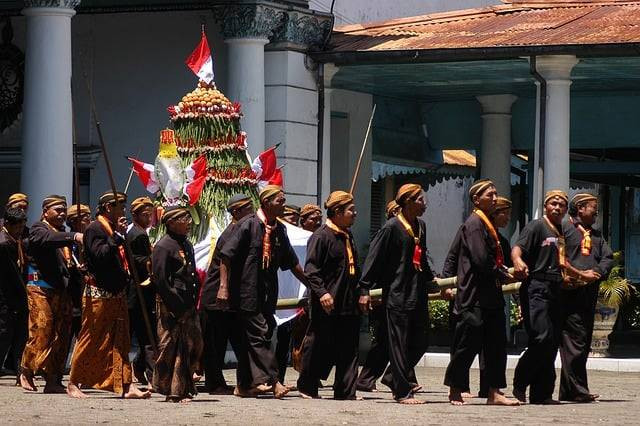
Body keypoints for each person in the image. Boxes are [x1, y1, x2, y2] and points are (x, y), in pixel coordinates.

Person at [216, 185, 308, 398]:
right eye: (279, 201)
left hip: (268, 292)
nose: (283, 204)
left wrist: (312, 284)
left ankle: (243, 386)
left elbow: (292, 262)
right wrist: (223, 287)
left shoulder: (280, 230)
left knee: (258, 336)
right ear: (266, 203)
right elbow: (225, 257)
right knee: (260, 335)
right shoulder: (248, 225)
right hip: (246, 292)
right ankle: (275, 382)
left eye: (284, 200)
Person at [512, 190, 597, 404]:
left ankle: (542, 393)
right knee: (540, 338)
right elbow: (517, 248)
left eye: (561, 205)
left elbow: (562, 263)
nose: (557, 208)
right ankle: (519, 384)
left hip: (556, 289)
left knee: (552, 343)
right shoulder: (536, 226)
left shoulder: (561, 230)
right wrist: (518, 261)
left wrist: (578, 275)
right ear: (546, 206)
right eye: (553, 204)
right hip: (536, 288)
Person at [67, 191, 150, 399]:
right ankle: (73, 382)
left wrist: (118, 235)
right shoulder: (95, 228)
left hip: (117, 291)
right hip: (98, 293)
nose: (123, 211)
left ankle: (126, 384)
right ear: (107, 208)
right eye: (119, 207)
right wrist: (116, 237)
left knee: (120, 339)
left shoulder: (114, 229)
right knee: (91, 337)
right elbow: (100, 255)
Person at [443, 180, 519, 406]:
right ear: (477, 200)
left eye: (496, 194)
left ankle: (494, 391)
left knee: (496, 346)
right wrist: (504, 274)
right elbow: (480, 260)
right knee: (468, 344)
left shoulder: (489, 227)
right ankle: (455, 388)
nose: (495, 198)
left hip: (491, 296)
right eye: (490, 195)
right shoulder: (474, 224)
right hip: (474, 296)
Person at [359, 183, 434, 404]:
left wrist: (434, 281)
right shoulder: (390, 228)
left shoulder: (421, 226)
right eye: (420, 199)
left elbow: (422, 258)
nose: (424, 204)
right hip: (397, 294)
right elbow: (373, 260)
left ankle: (392, 377)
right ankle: (402, 392)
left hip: (417, 293)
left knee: (421, 341)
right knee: (398, 344)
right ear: (408, 201)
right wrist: (364, 289)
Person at [297, 191, 362, 400]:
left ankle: (346, 391)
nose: (355, 214)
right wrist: (323, 293)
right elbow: (312, 270)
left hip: (349, 301)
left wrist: (363, 293)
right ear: (337, 212)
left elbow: (355, 268)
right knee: (319, 345)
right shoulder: (321, 236)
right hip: (327, 302)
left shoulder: (348, 235)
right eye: (350, 210)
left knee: (349, 348)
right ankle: (307, 386)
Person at [20, 195, 82, 393]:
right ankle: (27, 371)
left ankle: (53, 378)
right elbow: (47, 240)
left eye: (64, 210)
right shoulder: (40, 229)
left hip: (62, 290)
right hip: (40, 287)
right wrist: (72, 236)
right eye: (57, 210)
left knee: (61, 334)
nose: (62, 214)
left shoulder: (63, 232)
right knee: (42, 328)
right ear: (46, 211)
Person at [356, 199, 418, 393]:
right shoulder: (388, 231)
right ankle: (387, 379)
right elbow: (373, 264)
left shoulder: (415, 230)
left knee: (392, 340)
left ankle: (375, 378)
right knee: (387, 340)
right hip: (386, 295)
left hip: (406, 294)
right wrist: (367, 291)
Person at [559, 193, 613, 402]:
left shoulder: (596, 236)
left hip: (588, 295)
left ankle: (569, 389)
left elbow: (607, 258)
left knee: (582, 340)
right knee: (576, 341)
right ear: (580, 208)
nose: (596, 211)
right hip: (569, 293)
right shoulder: (565, 230)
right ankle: (578, 390)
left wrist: (596, 272)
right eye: (593, 207)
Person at [200, 194, 254, 394]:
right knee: (215, 344)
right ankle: (214, 384)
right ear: (236, 212)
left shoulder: (245, 229)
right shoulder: (233, 231)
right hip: (217, 297)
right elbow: (225, 260)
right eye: (248, 208)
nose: (253, 212)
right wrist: (223, 288)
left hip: (232, 299)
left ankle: (246, 382)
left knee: (240, 341)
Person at [152, 207, 203, 403]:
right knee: (171, 348)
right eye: (184, 219)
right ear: (171, 222)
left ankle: (184, 387)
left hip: (187, 303)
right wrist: (176, 307)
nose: (189, 222)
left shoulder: (186, 244)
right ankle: (173, 391)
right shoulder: (164, 246)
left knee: (193, 345)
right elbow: (162, 280)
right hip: (171, 305)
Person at [126, 196, 156, 386]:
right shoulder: (138, 234)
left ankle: (139, 365)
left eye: (150, 215)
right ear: (136, 215)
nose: (149, 219)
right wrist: (151, 261)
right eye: (145, 215)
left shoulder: (139, 232)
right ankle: (153, 375)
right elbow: (137, 259)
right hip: (138, 292)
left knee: (144, 333)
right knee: (147, 334)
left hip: (139, 292)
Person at [0, 208, 28, 382]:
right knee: (4, 333)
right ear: (7, 224)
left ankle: (19, 370)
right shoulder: (4, 244)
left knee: (19, 334)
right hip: (6, 295)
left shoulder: (14, 239)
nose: (20, 230)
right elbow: (12, 273)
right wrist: (26, 292)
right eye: (17, 227)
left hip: (14, 294)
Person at [65, 204, 91, 363]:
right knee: (69, 334)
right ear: (75, 222)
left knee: (85, 334)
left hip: (87, 292)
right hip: (72, 293)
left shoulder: (90, 238)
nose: (88, 220)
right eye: (84, 217)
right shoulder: (68, 240)